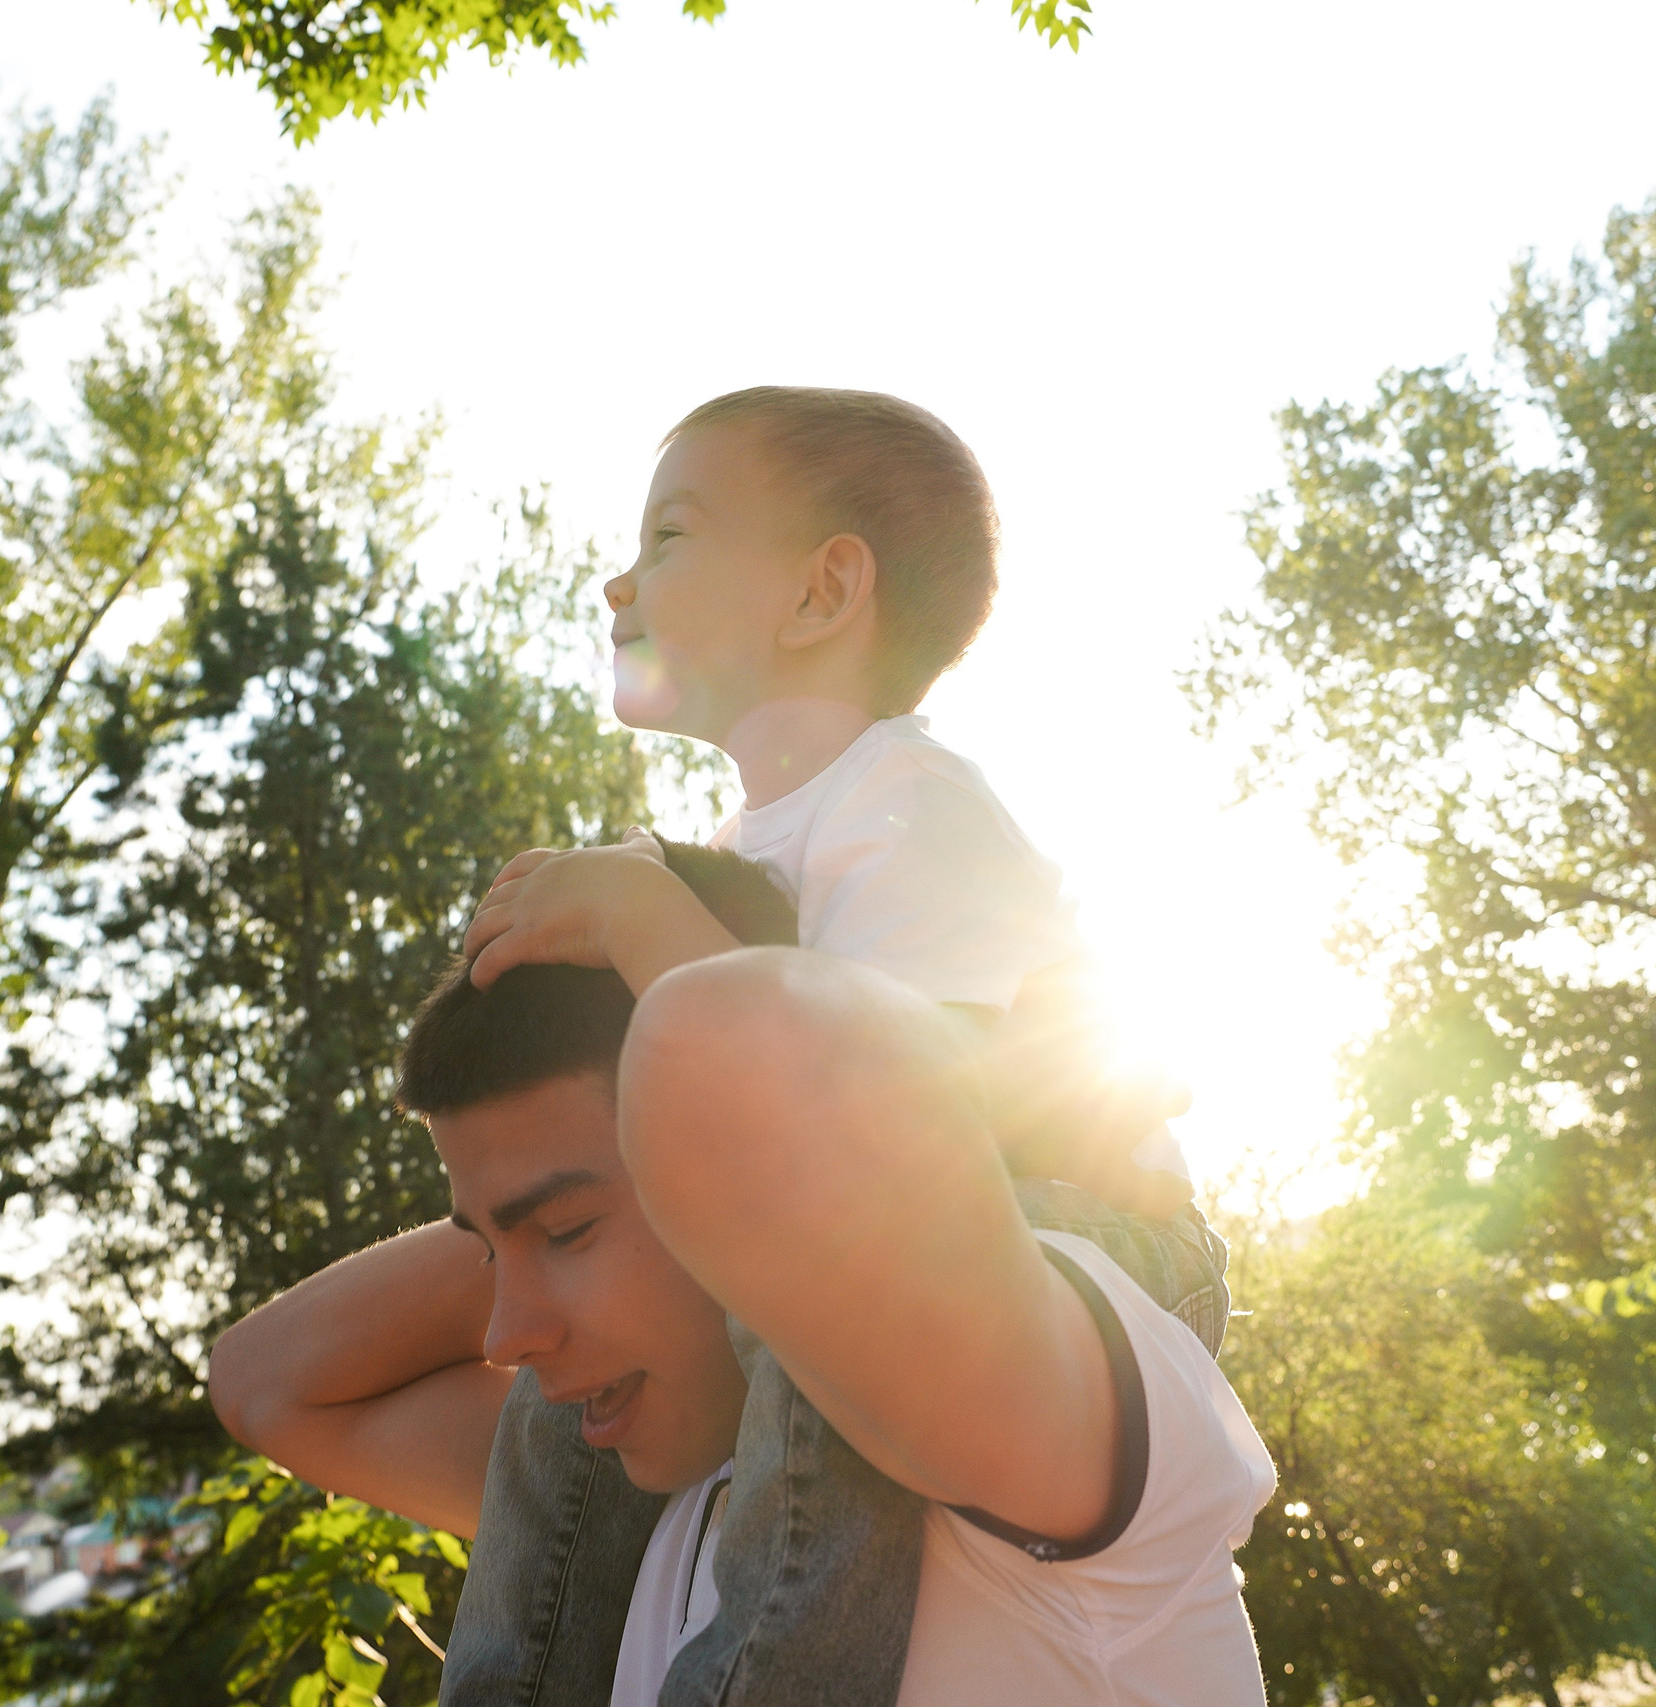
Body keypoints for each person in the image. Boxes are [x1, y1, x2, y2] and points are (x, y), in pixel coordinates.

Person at [446, 390, 1230, 1704]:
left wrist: (649, 923)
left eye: (673, 533)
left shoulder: (909, 801)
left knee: (834, 1288)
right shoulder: (751, 848)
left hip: (1080, 1235)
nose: (617, 577)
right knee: (551, 1399)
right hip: (915, 1225)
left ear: (824, 592)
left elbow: (900, 1121)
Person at [205, 843, 1277, 1705]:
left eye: (569, 1230)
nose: (504, 1337)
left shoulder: (1031, 1424)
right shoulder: (645, 1515)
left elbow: (728, 1038)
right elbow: (266, 1380)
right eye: (490, 1253)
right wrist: (523, 1206)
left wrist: (635, 916)